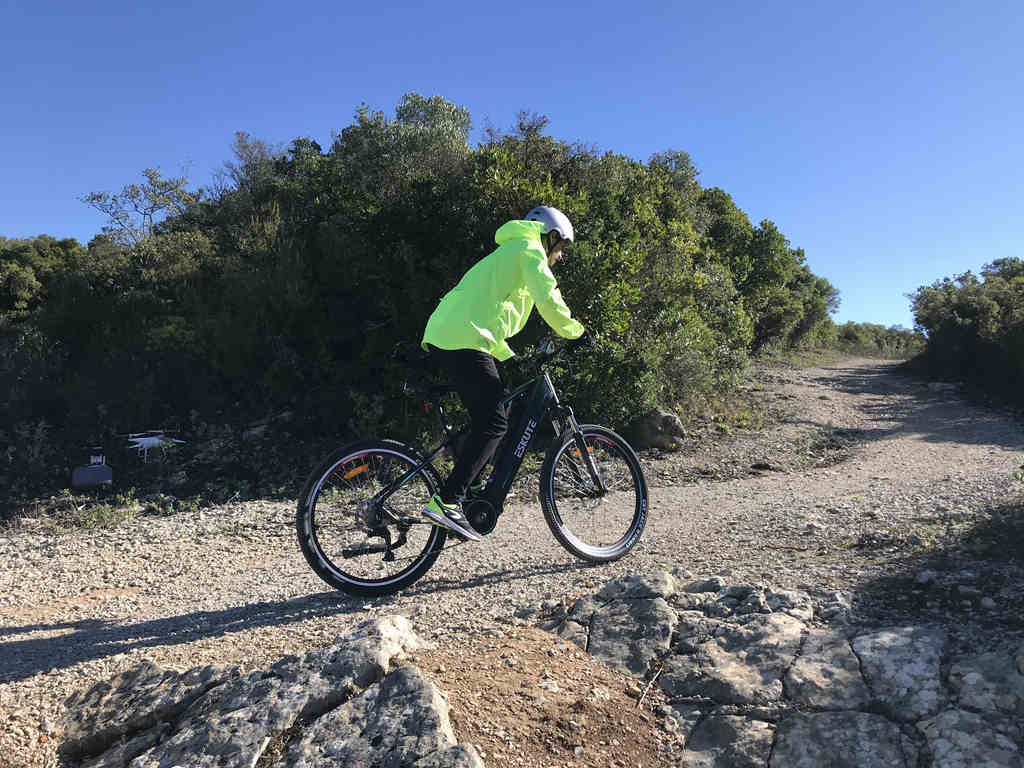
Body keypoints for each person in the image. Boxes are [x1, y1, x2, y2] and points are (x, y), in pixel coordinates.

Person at [420, 206, 585, 541]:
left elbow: (496, 310)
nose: (560, 255)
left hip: (459, 335)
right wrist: (577, 331)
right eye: (561, 246)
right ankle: (447, 500)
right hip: (462, 338)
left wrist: (514, 353)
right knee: (494, 422)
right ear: (549, 235)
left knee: (501, 408)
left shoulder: (511, 251)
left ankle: (473, 487)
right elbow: (548, 298)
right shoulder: (528, 249)